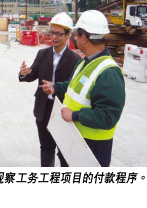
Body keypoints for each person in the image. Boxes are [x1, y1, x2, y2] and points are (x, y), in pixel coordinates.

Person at [41, 10, 126, 167]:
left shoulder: (109, 73)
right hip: (74, 140)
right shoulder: (84, 63)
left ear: (84, 38)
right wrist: (56, 88)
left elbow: (108, 116)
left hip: (91, 148)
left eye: (76, 35)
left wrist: (75, 115)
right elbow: (73, 86)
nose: (74, 38)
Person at [19, 13, 82, 167]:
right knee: (46, 148)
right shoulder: (42, 54)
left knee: (64, 151)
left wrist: (56, 89)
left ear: (67, 35)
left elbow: (75, 88)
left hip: (63, 110)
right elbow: (32, 74)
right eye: (51, 33)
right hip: (43, 109)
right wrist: (23, 74)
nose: (53, 37)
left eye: (58, 34)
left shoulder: (76, 61)